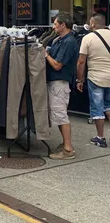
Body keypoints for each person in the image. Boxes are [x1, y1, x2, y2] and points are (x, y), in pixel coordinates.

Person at [45, 12, 78, 160]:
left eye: (56, 24)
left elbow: (57, 65)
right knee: (59, 116)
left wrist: (45, 55)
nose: (53, 27)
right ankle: (65, 144)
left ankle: (68, 149)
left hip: (60, 83)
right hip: (57, 82)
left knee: (61, 116)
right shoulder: (60, 39)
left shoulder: (69, 42)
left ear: (63, 25)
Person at [77, 13, 110, 148]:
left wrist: (80, 79)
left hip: (95, 77)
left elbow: (81, 62)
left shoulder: (88, 38)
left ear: (92, 24)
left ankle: (100, 137)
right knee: (108, 106)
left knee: (97, 108)